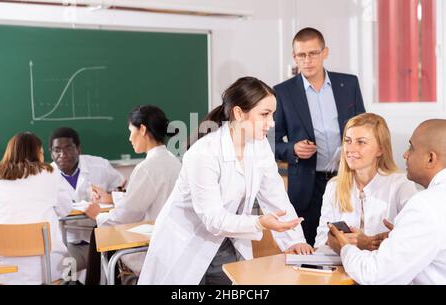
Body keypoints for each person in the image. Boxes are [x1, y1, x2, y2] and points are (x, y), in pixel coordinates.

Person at [138, 77, 313, 285]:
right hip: (186, 244)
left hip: (226, 243)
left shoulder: (261, 147)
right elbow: (213, 219)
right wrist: (258, 222)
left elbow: (276, 197)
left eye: (272, 114)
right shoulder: (204, 153)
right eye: (265, 114)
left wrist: (294, 241)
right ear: (239, 113)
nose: (272, 122)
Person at [274, 27, 366, 245]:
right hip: (307, 185)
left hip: (346, 180)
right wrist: (293, 149)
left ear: (325, 52)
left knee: (346, 243)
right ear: (294, 57)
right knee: (307, 247)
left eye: (313, 53)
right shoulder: (283, 92)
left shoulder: (349, 84)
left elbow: (365, 129)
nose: (307, 60)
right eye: (301, 55)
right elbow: (270, 143)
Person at [328, 119, 446, 284]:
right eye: (348, 141)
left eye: (411, 148)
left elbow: (375, 275)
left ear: (430, 159)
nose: (405, 154)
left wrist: (344, 247)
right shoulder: (333, 186)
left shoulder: (425, 205)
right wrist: (399, 235)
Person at [84, 105, 181, 283]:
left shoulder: (147, 167)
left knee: (101, 232)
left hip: (149, 249)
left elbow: (128, 214)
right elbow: (147, 201)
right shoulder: (174, 161)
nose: (129, 138)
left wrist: (99, 215)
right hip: (172, 247)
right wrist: (111, 199)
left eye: (131, 131)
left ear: (142, 129)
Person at [314, 113, 418, 250]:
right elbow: (320, 241)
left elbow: (415, 240)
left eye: (361, 142)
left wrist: (369, 244)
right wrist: (332, 241)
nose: (351, 149)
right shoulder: (334, 186)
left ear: (380, 149)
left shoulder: (402, 185)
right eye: (348, 141)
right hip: (341, 267)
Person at [0, 132, 69, 284]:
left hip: (4, 271)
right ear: (37, 154)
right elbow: (66, 209)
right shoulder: (50, 172)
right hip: (46, 269)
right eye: (41, 153)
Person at [49, 127, 125, 272]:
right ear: (51, 153)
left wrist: (106, 195)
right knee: (61, 272)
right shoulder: (46, 175)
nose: (62, 155)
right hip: (68, 243)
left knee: (113, 272)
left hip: (101, 239)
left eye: (68, 149)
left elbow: (121, 188)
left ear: (78, 149)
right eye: (57, 150)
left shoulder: (99, 165)